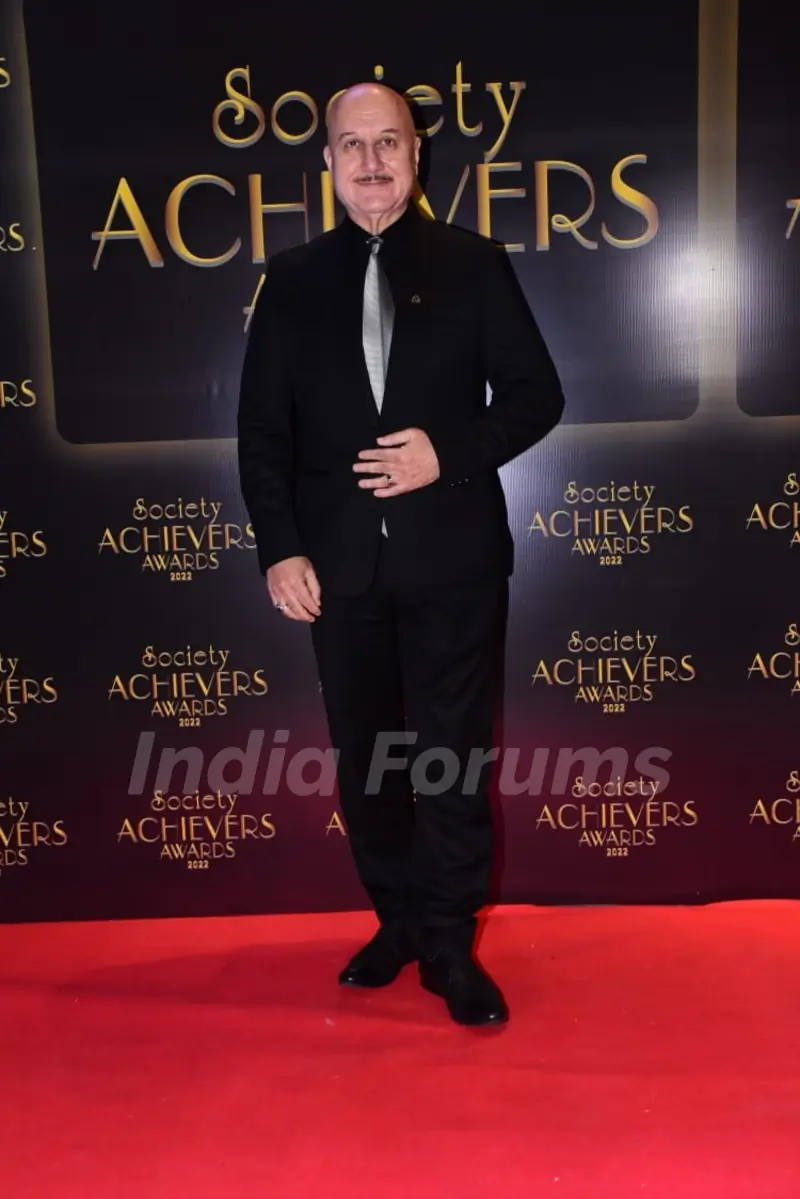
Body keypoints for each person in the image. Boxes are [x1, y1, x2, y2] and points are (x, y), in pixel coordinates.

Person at [238, 82, 564, 1026]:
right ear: (328, 163)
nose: (372, 161)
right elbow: (262, 433)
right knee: (369, 764)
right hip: (338, 570)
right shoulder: (292, 280)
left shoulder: (473, 263)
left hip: (454, 561)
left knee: (451, 760)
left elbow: (537, 397)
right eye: (353, 145)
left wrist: (443, 454)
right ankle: (401, 920)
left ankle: (450, 945)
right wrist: (281, 550)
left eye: (389, 141)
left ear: (418, 156)